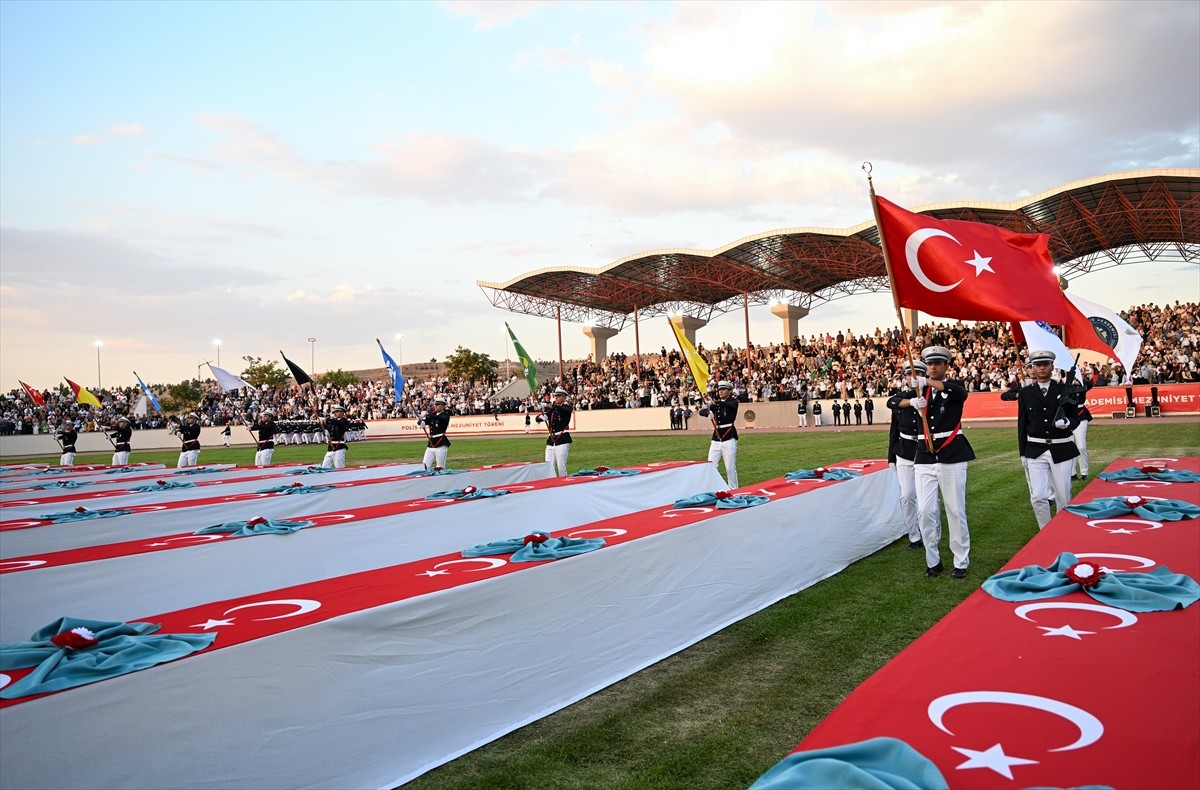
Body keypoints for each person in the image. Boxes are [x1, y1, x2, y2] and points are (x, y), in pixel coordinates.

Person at [908, 346, 975, 579]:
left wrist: (925, 382)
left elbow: (958, 392)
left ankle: (961, 560)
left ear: (947, 366)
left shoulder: (954, 388)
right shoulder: (919, 391)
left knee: (955, 510)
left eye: (938, 363)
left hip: (952, 454)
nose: (933, 367)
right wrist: (912, 402)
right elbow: (897, 403)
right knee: (925, 511)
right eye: (930, 363)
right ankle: (933, 560)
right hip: (925, 455)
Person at [1017, 350, 1081, 529]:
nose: (1042, 368)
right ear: (1032, 369)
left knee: (1063, 495)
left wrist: (1068, 422)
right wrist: (1023, 453)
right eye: (1038, 365)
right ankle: (1045, 531)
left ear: (1052, 367)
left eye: (1046, 364)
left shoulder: (1064, 390)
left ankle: (1061, 531)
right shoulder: (1025, 393)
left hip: (1061, 448)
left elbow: (1076, 418)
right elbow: (1022, 424)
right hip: (1035, 450)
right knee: (1037, 496)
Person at [886, 360, 928, 552]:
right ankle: (914, 536)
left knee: (926, 498)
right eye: (909, 375)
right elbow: (894, 430)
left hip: (923, 450)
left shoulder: (930, 396)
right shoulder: (900, 399)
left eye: (917, 374)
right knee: (907, 495)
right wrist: (891, 457)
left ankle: (928, 532)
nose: (912, 378)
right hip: (904, 450)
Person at [699, 381, 739, 488]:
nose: (720, 391)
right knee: (711, 465)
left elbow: (730, 406)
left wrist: (714, 403)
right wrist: (707, 412)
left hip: (729, 436)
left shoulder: (733, 402)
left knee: (730, 467)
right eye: (719, 390)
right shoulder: (715, 403)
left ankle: (733, 489)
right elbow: (701, 412)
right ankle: (713, 487)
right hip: (716, 438)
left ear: (729, 391)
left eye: (723, 389)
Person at [536, 387, 573, 475]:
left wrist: (545, 405)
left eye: (559, 396)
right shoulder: (552, 410)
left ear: (564, 397)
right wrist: (542, 417)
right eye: (555, 396)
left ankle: (564, 484)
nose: (556, 398)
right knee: (548, 466)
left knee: (561, 467)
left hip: (562, 438)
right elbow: (537, 419)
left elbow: (560, 409)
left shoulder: (567, 408)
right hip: (551, 439)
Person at [420, 396, 452, 469]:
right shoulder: (433, 416)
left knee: (440, 467)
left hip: (440, 442)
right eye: (435, 405)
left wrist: (427, 415)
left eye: (438, 405)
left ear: (443, 406)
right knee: (425, 465)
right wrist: (421, 422)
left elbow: (439, 418)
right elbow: (425, 422)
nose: (435, 406)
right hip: (431, 443)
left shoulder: (445, 415)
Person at [1073, 388, 1093, 481]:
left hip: (1080, 415)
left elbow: (1088, 384)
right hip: (1067, 417)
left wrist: (1078, 381)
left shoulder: (1080, 387)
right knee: (1069, 447)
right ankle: (1072, 473)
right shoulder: (1061, 385)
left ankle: (1084, 472)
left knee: (1081, 446)